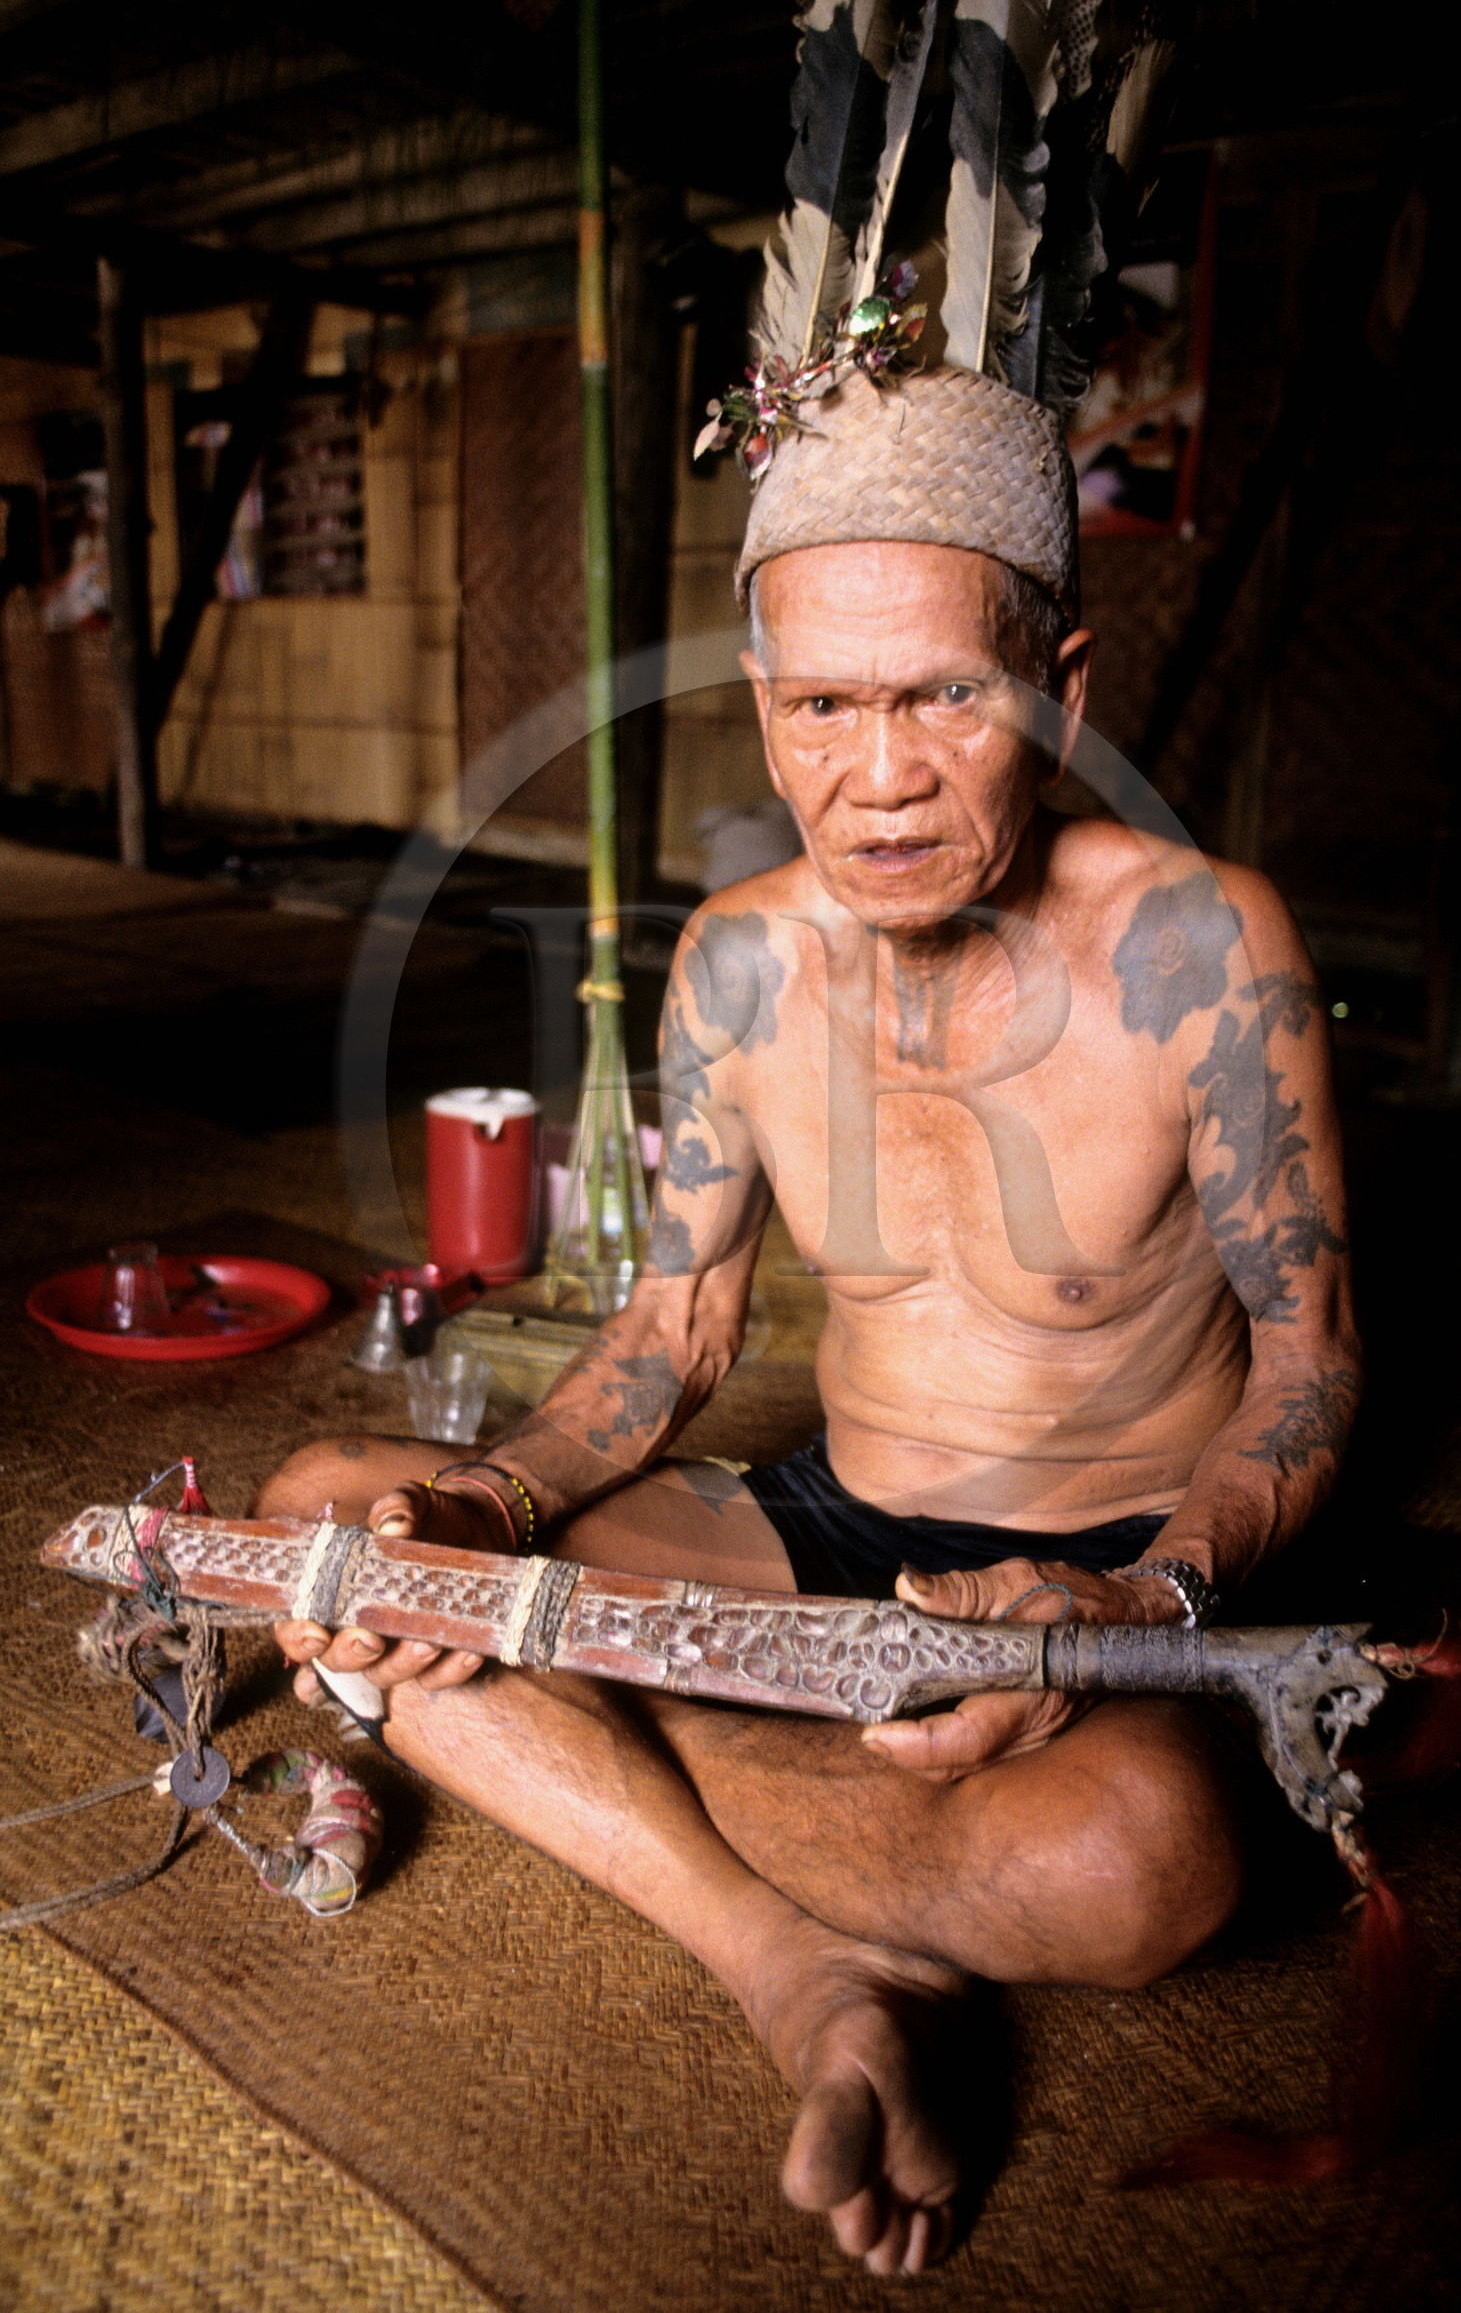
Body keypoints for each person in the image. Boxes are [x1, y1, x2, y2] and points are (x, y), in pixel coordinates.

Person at [259, 355, 1358, 2279]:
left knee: (1140, 1861)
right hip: (824, 1523)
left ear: (1064, 696)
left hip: (1100, 1561)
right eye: (828, 706)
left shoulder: (1201, 943)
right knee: (337, 1511)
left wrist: (1138, 1604)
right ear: (768, 718)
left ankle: (573, 1739)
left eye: (950, 693)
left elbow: (1314, 1361)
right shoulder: (742, 961)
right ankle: (800, 1966)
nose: (885, 772)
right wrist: (487, 1517)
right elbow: (673, 1338)